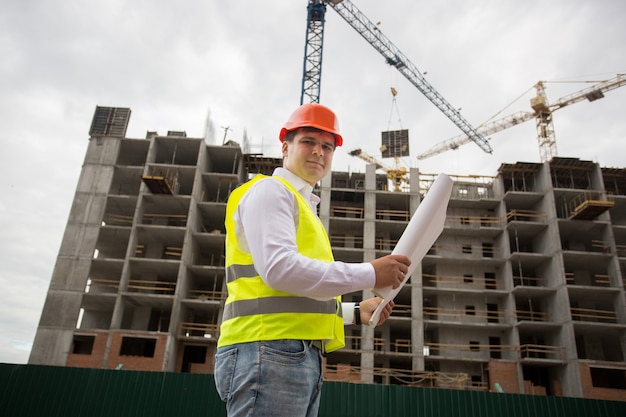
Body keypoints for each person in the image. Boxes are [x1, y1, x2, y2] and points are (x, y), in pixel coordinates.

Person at [214, 103, 411, 417]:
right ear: (285, 146)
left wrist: (355, 312)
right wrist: (371, 274)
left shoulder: (303, 208)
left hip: (288, 353)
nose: (319, 151)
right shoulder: (271, 192)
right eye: (308, 141)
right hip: (268, 349)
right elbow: (280, 271)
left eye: (327, 146)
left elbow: (293, 298)